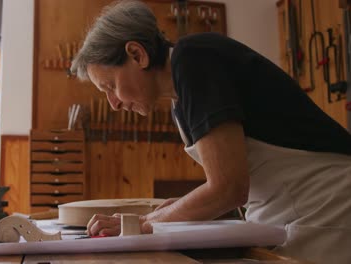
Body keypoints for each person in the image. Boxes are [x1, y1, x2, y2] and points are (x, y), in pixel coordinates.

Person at [70, 1, 351, 263]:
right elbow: (230, 184)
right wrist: (173, 210)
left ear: (137, 54)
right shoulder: (180, 100)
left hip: (326, 208)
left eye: (110, 86)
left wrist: (143, 223)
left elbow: (228, 188)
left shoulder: (193, 60)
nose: (114, 103)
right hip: (286, 214)